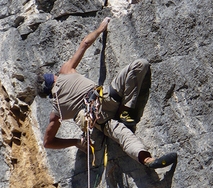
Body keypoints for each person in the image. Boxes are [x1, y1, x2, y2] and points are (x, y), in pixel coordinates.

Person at [42, 17, 176, 169]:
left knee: (123, 136)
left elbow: (47, 142)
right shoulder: (64, 72)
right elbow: (84, 44)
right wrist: (100, 28)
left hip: (100, 120)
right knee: (140, 65)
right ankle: (125, 112)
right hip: (107, 98)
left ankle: (147, 160)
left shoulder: (56, 111)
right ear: (53, 79)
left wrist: (75, 142)